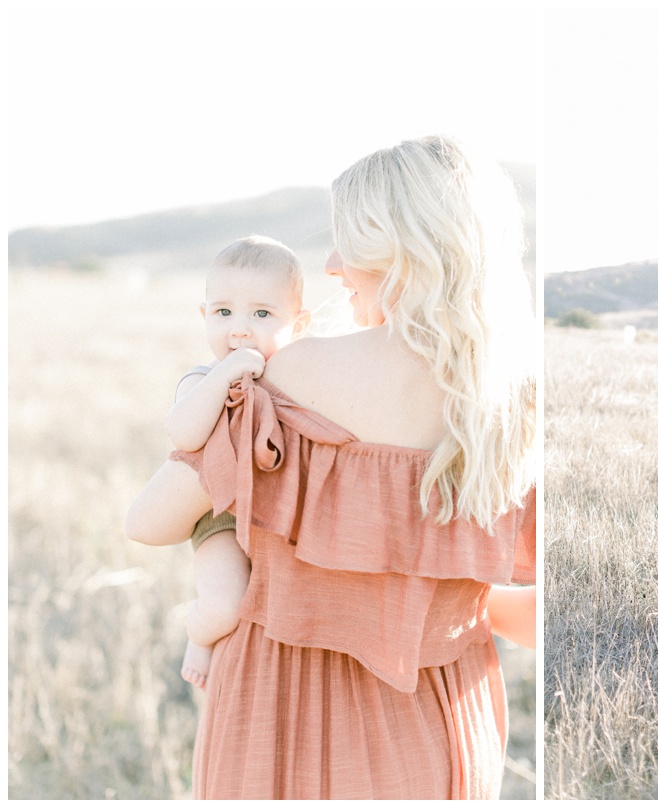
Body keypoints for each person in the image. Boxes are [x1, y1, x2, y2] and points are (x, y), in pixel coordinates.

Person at [125, 135, 536, 799]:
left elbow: (148, 520)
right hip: (445, 716)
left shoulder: (294, 373)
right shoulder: (514, 401)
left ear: (402, 247)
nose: (334, 263)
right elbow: (525, 611)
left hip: (284, 711)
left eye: (352, 240)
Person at [165, 236, 311, 689]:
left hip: (274, 512)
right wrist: (224, 375)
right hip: (220, 517)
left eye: (262, 314)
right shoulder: (202, 377)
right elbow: (184, 435)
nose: (240, 329)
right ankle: (198, 636)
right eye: (224, 312)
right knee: (225, 602)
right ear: (204, 315)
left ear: (298, 325)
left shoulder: (297, 376)